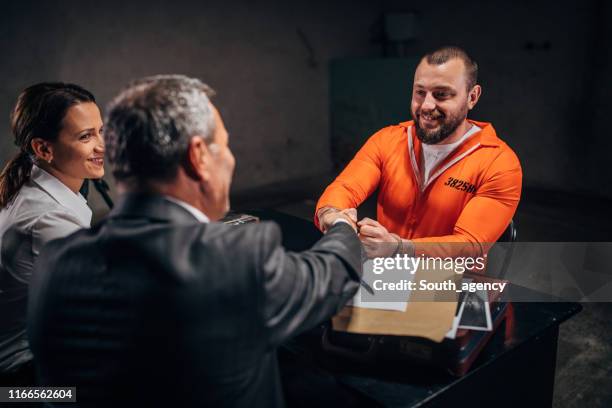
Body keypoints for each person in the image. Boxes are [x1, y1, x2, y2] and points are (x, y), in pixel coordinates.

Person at [27, 75, 362, 407]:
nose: (230, 159)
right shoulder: (237, 257)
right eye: (225, 145)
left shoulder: (56, 262)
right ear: (199, 155)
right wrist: (342, 225)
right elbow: (333, 273)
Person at [315, 46, 522, 259]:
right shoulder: (388, 140)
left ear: (472, 97)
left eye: (441, 94)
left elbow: (470, 244)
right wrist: (333, 216)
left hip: (455, 280)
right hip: (389, 271)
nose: (426, 105)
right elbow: (345, 188)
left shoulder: (499, 163)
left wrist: (399, 248)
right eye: (420, 92)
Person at [0, 82, 104, 385]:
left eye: (101, 130)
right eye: (86, 136)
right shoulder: (47, 219)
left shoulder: (29, 185)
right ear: (43, 148)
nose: (102, 145)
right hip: (21, 388)